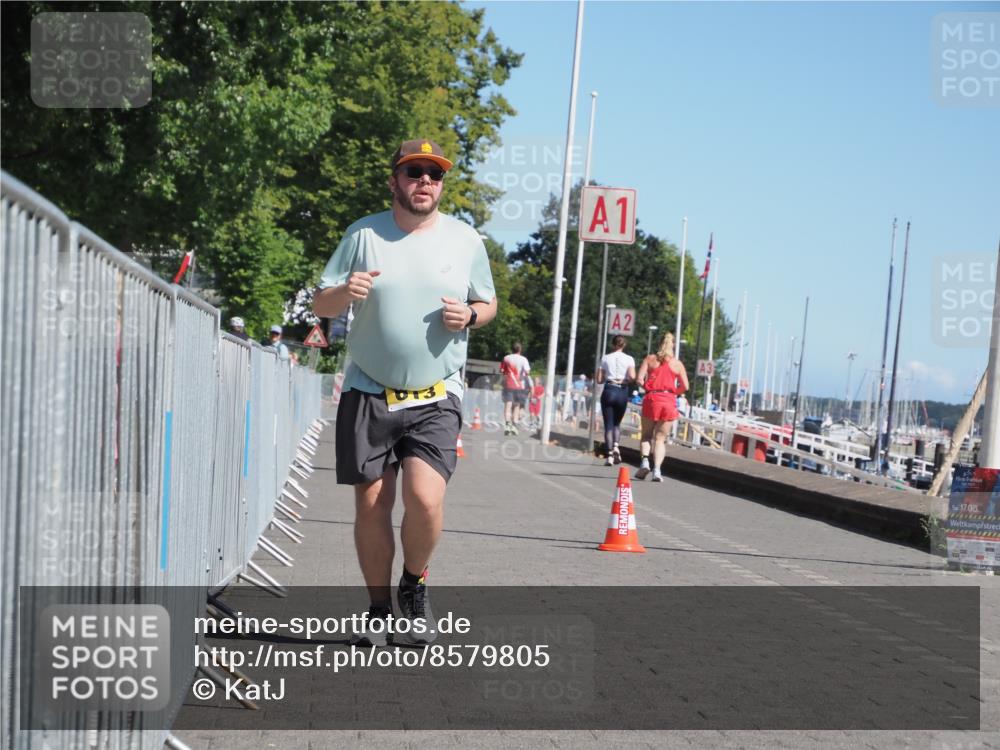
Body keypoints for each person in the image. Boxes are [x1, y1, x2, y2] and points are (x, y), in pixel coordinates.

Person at [313, 138, 497, 646]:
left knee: (424, 498)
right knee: (371, 506)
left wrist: (472, 315)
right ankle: (378, 610)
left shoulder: (465, 241)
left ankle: (413, 587)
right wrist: (342, 293)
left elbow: (488, 303)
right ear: (394, 179)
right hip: (369, 388)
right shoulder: (362, 234)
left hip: (436, 393)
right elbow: (321, 305)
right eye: (414, 171)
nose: (424, 182)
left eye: (433, 175)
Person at [635, 332, 689, 482]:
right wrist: (674, 393)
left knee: (646, 435)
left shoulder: (650, 359)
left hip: (652, 398)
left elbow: (639, 379)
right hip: (669, 400)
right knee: (660, 439)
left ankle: (645, 461)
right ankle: (657, 471)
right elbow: (685, 386)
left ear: (659, 343)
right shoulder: (677, 364)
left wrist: (648, 386)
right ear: (673, 345)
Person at [595, 335, 637, 466]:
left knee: (608, 425)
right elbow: (632, 376)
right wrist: (624, 380)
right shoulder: (629, 359)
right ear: (624, 345)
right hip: (622, 391)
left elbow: (599, 379)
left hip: (609, 389)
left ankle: (609, 455)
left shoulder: (605, 358)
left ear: (613, 345)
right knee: (617, 424)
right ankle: (616, 446)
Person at [500, 343, 531, 435]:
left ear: (511, 349)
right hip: (519, 385)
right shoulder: (523, 359)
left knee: (508, 405)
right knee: (516, 406)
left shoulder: (506, 358)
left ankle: (507, 425)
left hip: (508, 384)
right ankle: (514, 426)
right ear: (520, 350)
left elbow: (502, 370)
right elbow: (527, 372)